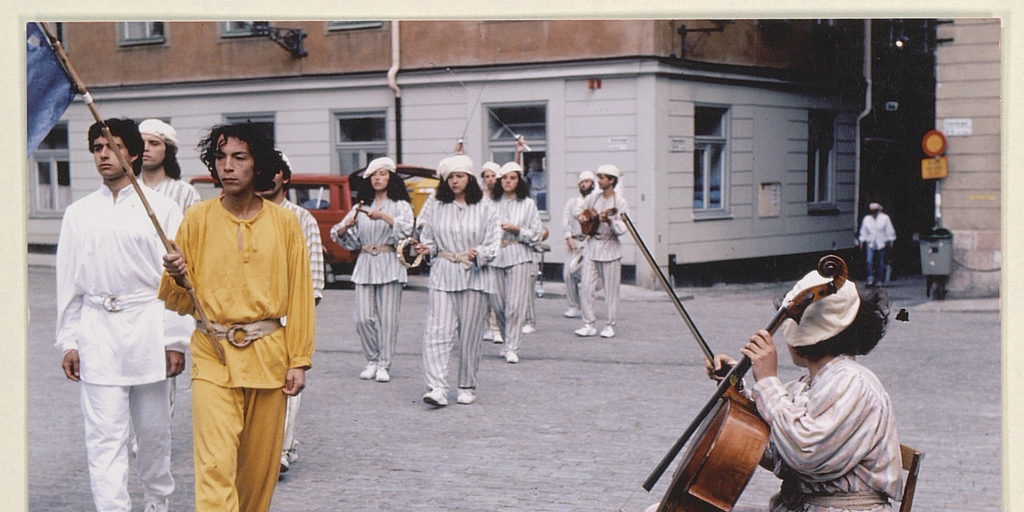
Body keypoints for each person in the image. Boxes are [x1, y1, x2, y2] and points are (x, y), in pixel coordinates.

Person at [158, 122, 314, 512]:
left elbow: (299, 295)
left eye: (238, 158)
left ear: (256, 165)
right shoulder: (197, 218)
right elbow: (177, 299)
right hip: (213, 353)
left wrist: (299, 359)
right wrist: (178, 275)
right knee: (215, 465)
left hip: (269, 356)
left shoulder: (285, 223)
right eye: (221, 158)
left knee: (257, 474)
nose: (227, 166)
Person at [56, 118, 191, 512]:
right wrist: (68, 340)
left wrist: (175, 340)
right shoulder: (78, 214)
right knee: (104, 436)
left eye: (112, 147)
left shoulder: (162, 210)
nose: (103, 155)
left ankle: (156, 503)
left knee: (153, 434)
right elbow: (69, 283)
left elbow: (179, 282)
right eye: (97, 148)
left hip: (148, 327)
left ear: (133, 153)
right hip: (97, 330)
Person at [691, 271, 904, 512]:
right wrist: (735, 386)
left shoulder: (853, 382)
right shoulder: (809, 384)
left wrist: (768, 381)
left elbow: (804, 453)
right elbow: (772, 445)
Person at [413, 154, 501, 406]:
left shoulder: (486, 207)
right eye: (450, 177)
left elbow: (493, 243)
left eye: (459, 176)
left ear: (469, 178)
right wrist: (425, 248)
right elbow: (428, 237)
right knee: (436, 331)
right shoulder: (438, 207)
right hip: (443, 273)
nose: (454, 181)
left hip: (474, 276)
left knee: (470, 334)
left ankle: (466, 385)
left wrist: (480, 253)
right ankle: (437, 386)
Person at [257, 151, 325, 475]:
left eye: (273, 172)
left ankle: (281, 450)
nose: (266, 178)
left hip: (288, 313)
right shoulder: (246, 215)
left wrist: (299, 322)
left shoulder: (302, 218)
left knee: (287, 382)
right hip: (251, 317)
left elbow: (312, 279)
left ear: (284, 176)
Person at [331, 156, 414, 383]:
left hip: (389, 261)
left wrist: (385, 217)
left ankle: (385, 364)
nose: (378, 179)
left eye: (382, 174)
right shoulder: (361, 206)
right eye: (374, 175)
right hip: (366, 262)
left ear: (391, 177)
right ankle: (373, 359)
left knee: (388, 318)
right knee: (362, 318)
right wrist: (343, 229)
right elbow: (341, 233)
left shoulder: (400, 206)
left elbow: (407, 231)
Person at [488, 161, 543, 363]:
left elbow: (537, 234)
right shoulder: (490, 204)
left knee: (515, 305)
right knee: (498, 304)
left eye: (512, 178)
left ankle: (513, 346)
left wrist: (517, 230)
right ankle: (506, 339)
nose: (508, 182)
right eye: (504, 178)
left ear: (518, 181)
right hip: (495, 257)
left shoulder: (527, 204)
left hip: (519, 254)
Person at [575, 164, 628, 338]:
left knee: (611, 290)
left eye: (602, 178)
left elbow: (622, 228)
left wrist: (611, 221)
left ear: (611, 180)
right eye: (598, 177)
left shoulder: (619, 202)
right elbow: (580, 211)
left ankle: (609, 324)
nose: (598, 181)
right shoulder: (594, 197)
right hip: (592, 245)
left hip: (610, 246)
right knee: (586, 287)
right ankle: (588, 323)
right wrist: (583, 218)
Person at [138, 119, 202, 212]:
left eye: (154, 143)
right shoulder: (126, 189)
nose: (145, 148)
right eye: (141, 143)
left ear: (168, 151)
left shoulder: (185, 192)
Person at [561, 170, 596, 319]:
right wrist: (568, 237)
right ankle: (573, 306)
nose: (583, 184)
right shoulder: (572, 202)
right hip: (575, 241)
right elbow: (565, 220)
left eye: (586, 181)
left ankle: (587, 307)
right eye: (581, 182)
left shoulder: (595, 201)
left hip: (589, 243)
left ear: (592, 183)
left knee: (587, 277)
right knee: (568, 274)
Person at [478, 160, 504, 345]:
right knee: (485, 289)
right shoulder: (479, 196)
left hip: (500, 246)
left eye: (492, 175)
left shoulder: (502, 197)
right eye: (486, 176)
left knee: (498, 292)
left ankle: (498, 328)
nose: (489, 179)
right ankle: (490, 326)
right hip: (483, 244)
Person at [858, 203, 896, 286]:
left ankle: (879, 280)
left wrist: (891, 240)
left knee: (880, 261)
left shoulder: (885, 218)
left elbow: (889, 229)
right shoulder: (867, 219)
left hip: (881, 241)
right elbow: (864, 230)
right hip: (870, 242)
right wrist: (861, 241)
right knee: (869, 260)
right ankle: (870, 278)